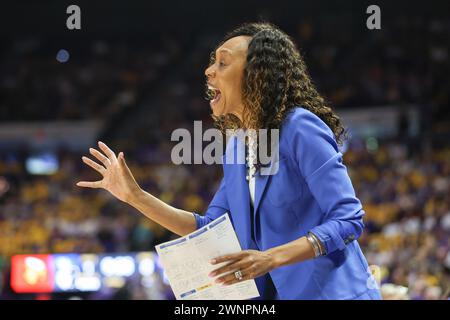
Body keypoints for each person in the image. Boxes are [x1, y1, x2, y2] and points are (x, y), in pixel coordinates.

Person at [77, 22, 382, 300]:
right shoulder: (237, 147)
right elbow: (210, 229)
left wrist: (270, 258)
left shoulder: (299, 127)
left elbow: (348, 220)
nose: (209, 70)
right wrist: (136, 197)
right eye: (212, 62)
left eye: (223, 62)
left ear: (257, 75)